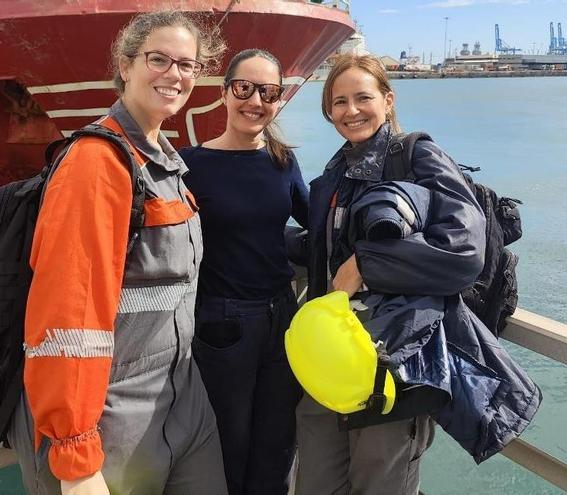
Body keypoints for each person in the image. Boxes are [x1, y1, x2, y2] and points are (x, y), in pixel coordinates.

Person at [7, 11, 228, 495]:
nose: (174, 74)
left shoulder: (166, 162)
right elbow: (68, 315)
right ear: (125, 65)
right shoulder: (97, 163)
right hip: (111, 411)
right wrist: (76, 455)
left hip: (180, 396)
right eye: (158, 59)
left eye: (187, 65)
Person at [294, 55, 487, 494]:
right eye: (339, 102)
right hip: (332, 359)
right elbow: (322, 249)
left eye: (363, 97)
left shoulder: (417, 156)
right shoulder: (333, 175)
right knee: (315, 483)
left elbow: (464, 251)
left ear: (388, 99)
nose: (351, 110)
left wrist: (364, 263)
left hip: (393, 363)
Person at [179, 48, 308, 495]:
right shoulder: (190, 165)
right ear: (224, 93)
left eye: (269, 91)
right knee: (227, 443)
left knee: (278, 441)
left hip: (282, 316)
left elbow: (319, 222)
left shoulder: (282, 162)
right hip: (223, 322)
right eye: (244, 88)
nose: (256, 100)